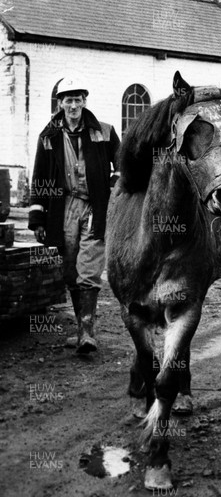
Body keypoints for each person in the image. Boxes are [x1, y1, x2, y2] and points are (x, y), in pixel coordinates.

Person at [29, 77, 120, 354]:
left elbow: (122, 164)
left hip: (93, 206)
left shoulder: (103, 131)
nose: (73, 105)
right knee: (70, 269)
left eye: (78, 99)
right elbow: (40, 177)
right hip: (62, 207)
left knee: (89, 266)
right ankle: (82, 328)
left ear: (84, 101)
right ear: (60, 104)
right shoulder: (48, 137)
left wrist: (112, 192)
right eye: (68, 100)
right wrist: (38, 218)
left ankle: (86, 332)